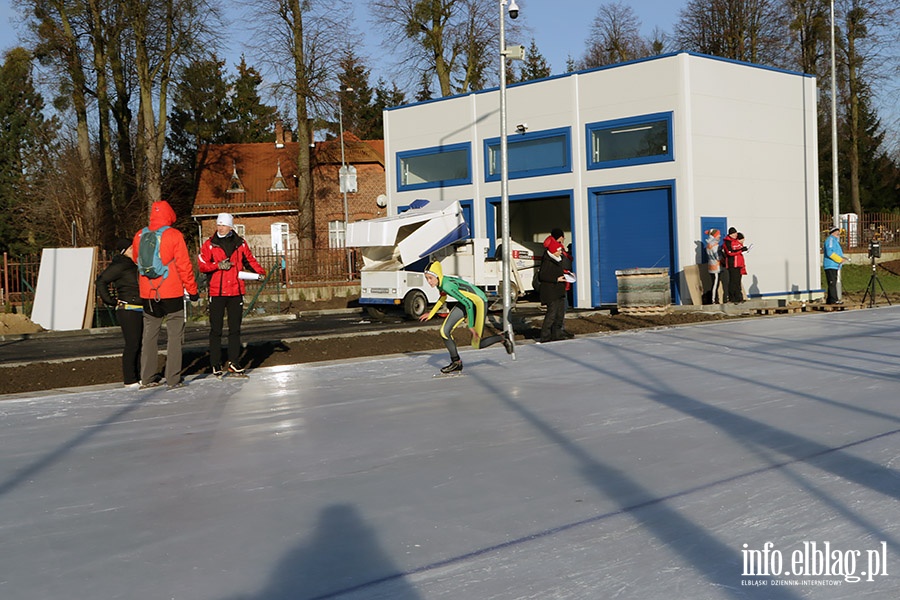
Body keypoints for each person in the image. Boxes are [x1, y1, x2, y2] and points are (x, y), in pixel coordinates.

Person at [133, 200, 200, 389]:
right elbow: (184, 265)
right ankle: (173, 378)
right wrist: (192, 290)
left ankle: (146, 378)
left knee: (149, 336)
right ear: (169, 215)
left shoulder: (140, 234)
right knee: (174, 335)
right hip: (171, 291)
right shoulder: (173, 235)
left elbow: (135, 259)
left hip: (147, 293)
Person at [198, 212, 266, 376]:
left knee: (235, 329)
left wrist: (260, 272)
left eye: (223, 225)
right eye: (218, 225)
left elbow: (250, 260)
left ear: (230, 226)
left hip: (236, 291)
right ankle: (215, 363)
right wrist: (217, 265)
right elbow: (202, 265)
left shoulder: (240, 244)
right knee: (216, 330)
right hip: (217, 292)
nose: (220, 228)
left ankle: (234, 362)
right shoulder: (209, 244)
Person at [419, 261, 512, 374]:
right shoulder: (441, 282)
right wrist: (431, 313)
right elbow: (443, 297)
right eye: (427, 278)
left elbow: (468, 303)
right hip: (467, 302)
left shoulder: (447, 285)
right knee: (444, 331)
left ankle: (503, 337)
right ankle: (456, 362)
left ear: (437, 275)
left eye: (430, 278)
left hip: (479, 303)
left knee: (476, 344)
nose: (429, 281)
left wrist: (471, 325)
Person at [95, 238, 143, 388]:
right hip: (128, 309)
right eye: (130, 249)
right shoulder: (120, 265)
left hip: (141, 307)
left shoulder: (137, 263)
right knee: (132, 344)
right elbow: (101, 281)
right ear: (124, 251)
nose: (134, 251)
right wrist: (110, 300)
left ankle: (140, 375)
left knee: (140, 344)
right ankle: (130, 379)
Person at [538, 237, 571, 342]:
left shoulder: (559, 259)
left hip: (559, 290)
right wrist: (556, 279)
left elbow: (568, 264)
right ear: (553, 251)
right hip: (550, 292)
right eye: (559, 250)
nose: (561, 251)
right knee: (552, 314)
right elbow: (542, 276)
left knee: (560, 314)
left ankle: (557, 334)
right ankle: (545, 336)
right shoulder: (547, 261)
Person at [823, 226, 850, 304]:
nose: (838, 233)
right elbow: (829, 252)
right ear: (833, 232)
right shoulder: (830, 240)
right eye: (837, 232)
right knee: (832, 283)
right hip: (830, 265)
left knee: (832, 282)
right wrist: (839, 260)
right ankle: (834, 300)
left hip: (834, 265)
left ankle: (830, 300)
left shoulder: (834, 241)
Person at [722, 227, 748, 303]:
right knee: (733, 281)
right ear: (731, 234)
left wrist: (744, 249)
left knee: (738, 281)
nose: (736, 235)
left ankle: (739, 297)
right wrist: (740, 251)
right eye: (734, 233)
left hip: (739, 264)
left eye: (736, 233)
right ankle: (732, 298)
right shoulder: (727, 242)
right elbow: (730, 252)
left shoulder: (735, 241)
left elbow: (738, 249)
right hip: (732, 264)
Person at [703, 228, 723, 304]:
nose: (719, 236)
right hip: (716, 268)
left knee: (714, 284)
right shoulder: (714, 246)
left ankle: (714, 298)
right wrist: (722, 255)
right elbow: (717, 257)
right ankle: (713, 300)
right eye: (718, 235)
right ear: (714, 236)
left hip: (711, 267)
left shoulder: (709, 245)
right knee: (715, 285)